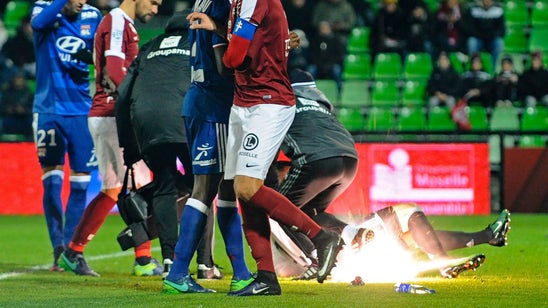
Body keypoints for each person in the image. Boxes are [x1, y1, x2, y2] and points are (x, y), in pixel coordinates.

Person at [182, 1, 345, 296]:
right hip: (243, 103)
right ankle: (266, 277)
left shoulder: (254, 1)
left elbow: (232, 59)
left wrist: (232, 39)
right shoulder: (237, 4)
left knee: (247, 186)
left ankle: (321, 236)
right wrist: (224, 30)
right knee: (238, 191)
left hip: (268, 103)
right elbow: (253, 43)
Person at [60, 0, 163, 277]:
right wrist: (140, 101)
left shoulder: (122, 23)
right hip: (112, 113)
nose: (155, 9)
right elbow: (116, 70)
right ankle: (140, 260)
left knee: (120, 187)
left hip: (110, 113)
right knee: (134, 184)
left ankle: (75, 252)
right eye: (153, 2)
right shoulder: (117, 21)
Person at [162, 1, 255, 295]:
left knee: (223, 190)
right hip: (213, 106)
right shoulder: (221, 6)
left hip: (202, 103)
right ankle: (177, 274)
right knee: (206, 189)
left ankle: (240, 273)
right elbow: (223, 66)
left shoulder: (203, 1)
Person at [264, 68, 373, 280]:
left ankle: (314, 259)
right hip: (349, 159)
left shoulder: (281, 102)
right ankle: (351, 233)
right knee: (309, 214)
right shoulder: (320, 105)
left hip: (317, 161)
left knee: (278, 210)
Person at [115, 9, 195, 279]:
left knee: (163, 187)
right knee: (202, 190)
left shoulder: (148, 48)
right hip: (185, 119)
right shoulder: (198, 44)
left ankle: (171, 260)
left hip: (147, 123)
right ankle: (205, 263)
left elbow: (123, 96)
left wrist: (128, 146)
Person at [30, 0, 101, 272]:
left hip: (82, 110)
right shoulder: (43, 9)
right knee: (51, 183)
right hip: (49, 110)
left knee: (82, 182)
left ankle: (73, 250)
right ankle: (58, 248)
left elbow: (100, 51)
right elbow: (37, 24)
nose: (81, 2)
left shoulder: (93, 15)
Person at [272, 204, 511, 280]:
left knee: (415, 236)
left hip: (344, 257)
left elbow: (287, 266)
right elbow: (321, 221)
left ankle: (489, 235)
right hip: (350, 249)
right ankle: (444, 262)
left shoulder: (274, 225)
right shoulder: (284, 214)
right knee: (408, 213)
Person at [460, 0, 505, 69]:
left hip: (491, 39)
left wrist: (491, 35)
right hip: (478, 38)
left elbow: (501, 30)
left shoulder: (498, 11)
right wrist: (480, 34)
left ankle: (493, 68)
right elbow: (468, 28)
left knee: (499, 43)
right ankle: (473, 67)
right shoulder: (473, 10)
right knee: (472, 42)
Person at [307, 21, 345, 100]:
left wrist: (330, 64)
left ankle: (340, 93)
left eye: (325, 28)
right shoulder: (315, 40)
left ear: (329, 29)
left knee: (337, 70)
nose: (323, 30)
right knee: (310, 70)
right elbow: (312, 55)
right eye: (321, 28)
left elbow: (339, 56)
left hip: (331, 65)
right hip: (318, 65)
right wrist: (319, 64)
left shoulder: (336, 40)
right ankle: (309, 95)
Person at [0, 69, 34, 137]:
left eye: (20, 78)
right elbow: (2, 106)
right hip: (10, 117)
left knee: (31, 123)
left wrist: (24, 110)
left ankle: (30, 141)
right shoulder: (7, 92)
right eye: (16, 78)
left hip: (25, 118)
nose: (18, 80)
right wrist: (8, 109)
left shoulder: (28, 93)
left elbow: (33, 109)